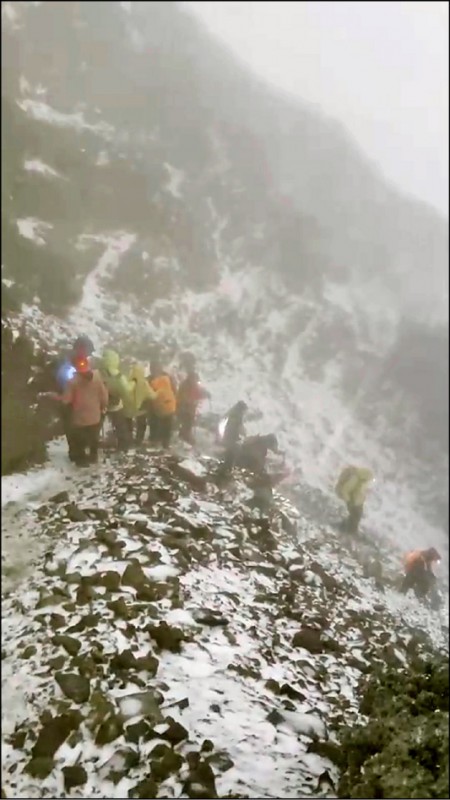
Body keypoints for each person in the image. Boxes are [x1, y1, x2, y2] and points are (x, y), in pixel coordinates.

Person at [53, 355, 108, 466]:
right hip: (95, 416)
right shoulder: (97, 377)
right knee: (94, 437)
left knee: (80, 439)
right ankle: (93, 455)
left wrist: (57, 397)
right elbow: (104, 395)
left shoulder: (73, 382)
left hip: (80, 418)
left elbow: (66, 400)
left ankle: (81, 459)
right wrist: (103, 406)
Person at [52, 335, 95, 462]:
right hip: (69, 402)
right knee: (72, 429)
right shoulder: (67, 365)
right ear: (80, 348)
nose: (87, 355)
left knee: (80, 429)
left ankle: (79, 452)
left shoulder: (85, 363)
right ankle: (76, 455)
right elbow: (63, 380)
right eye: (87, 351)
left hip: (80, 402)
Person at [100, 350, 133, 451]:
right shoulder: (119, 376)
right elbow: (126, 390)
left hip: (102, 404)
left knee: (97, 426)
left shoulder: (99, 374)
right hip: (117, 405)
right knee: (120, 427)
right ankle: (123, 446)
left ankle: (93, 445)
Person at [123, 362, 158, 445]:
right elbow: (153, 396)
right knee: (141, 424)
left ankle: (129, 440)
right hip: (141, 408)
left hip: (128, 408)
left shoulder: (128, 381)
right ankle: (139, 440)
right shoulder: (144, 383)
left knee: (128, 423)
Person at [335, 466, 374, 534]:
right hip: (353, 501)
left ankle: (347, 529)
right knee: (354, 516)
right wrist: (349, 500)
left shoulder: (361, 480)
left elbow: (360, 491)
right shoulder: (354, 479)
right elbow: (345, 490)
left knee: (356, 516)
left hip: (357, 502)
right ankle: (349, 531)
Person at [147, 360, 177, 448]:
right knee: (156, 424)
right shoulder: (151, 379)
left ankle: (163, 442)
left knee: (166, 424)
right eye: (153, 368)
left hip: (165, 405)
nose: (154, 370)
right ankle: (157, 441)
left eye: (155, 367)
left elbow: (173, 389)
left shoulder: (166, 377)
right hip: (158, 406)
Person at [177, 366, 210, 445]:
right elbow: (183, 398)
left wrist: (206, 394)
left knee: (189, 424)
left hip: (190, 409)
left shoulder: (193, 385)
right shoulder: (185, 385)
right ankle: (185, 438)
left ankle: (184, 437)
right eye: (194, 379)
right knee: (186, 423)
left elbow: (199, 393)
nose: (195, 381)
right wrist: (191, 402)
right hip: (184, 409)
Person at [218, 400, 248, 474]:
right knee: (233, 452)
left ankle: (226, 468)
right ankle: (228, 469)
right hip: (231, 436)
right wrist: (244, 433)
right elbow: (239, 427)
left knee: (230, 452)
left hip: (228, 435)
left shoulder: (232, 413)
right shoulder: (238, 416)